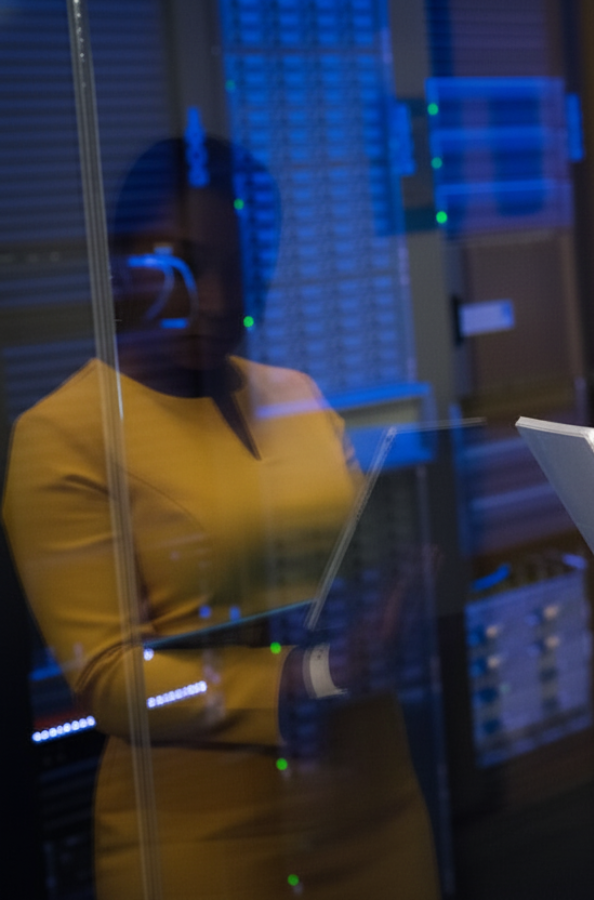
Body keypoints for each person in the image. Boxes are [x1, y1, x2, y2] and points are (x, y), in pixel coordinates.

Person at [3, 137, 440, 899]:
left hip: (374, 803)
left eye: (240, 271)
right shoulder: (64, 435)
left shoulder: (294, 393)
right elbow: (111, 679)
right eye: (185, 268)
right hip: (211, 841)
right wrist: (316, 674)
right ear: (121, 266)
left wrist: (402, 587)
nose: (212, 301)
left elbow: (338, 571)